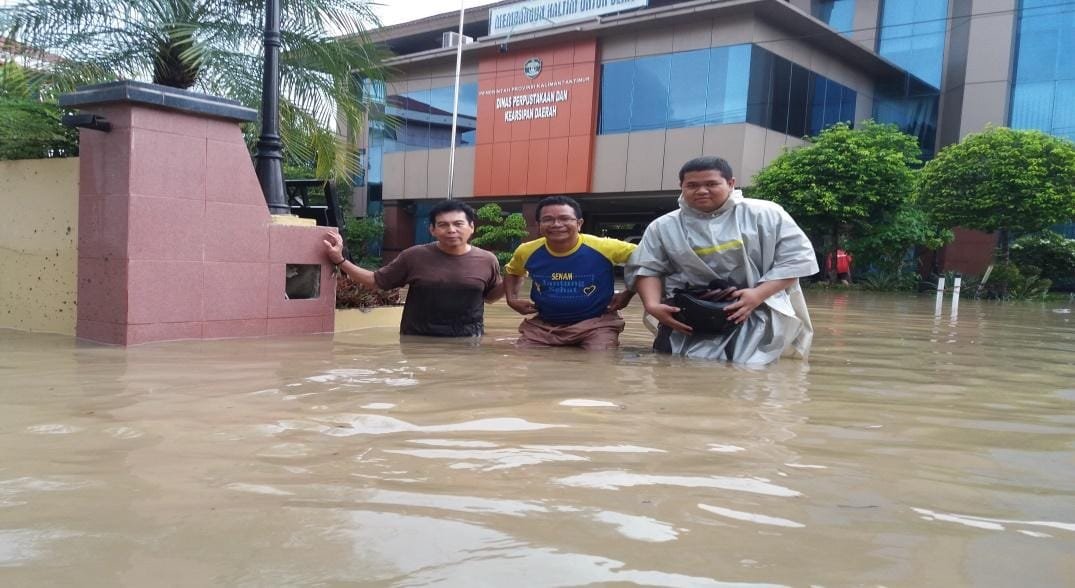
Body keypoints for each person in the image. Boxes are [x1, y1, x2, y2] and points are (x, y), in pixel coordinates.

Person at [626, 156, 819, 364]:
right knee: (680, 370)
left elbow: (797, 260)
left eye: (711, 184)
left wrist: (757, 295)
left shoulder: (766, 214)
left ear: (731, 183)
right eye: (692, 185)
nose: (701, 191)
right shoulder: (663, 226)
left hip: (757, 309)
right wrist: (653, 305)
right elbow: (647, 268)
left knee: (752, 374)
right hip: (690, 314)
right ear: (681, 186)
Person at [324, 200, 503, 337]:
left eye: (458, 224)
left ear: (471, 227)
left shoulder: (487, 260)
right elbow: (376, 281)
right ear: (432, 229)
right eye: (443, 225)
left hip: (467, 339)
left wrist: (513, 277)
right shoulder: (414, 256)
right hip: (418, 340)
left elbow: (490, 297)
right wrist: (340, 260)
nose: (451, 230)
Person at [503, 196, 637, 350]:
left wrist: (629, 292)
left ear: (579, 223)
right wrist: (512, 300)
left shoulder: (605, 247)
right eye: (548, 219)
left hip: (597, 323)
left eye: (564, 218)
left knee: (600, 361)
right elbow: (512, 271)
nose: (556, 224)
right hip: (544, 325)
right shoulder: (526, 251)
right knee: (525, 357)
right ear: (538, 225)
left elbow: (648, 260)